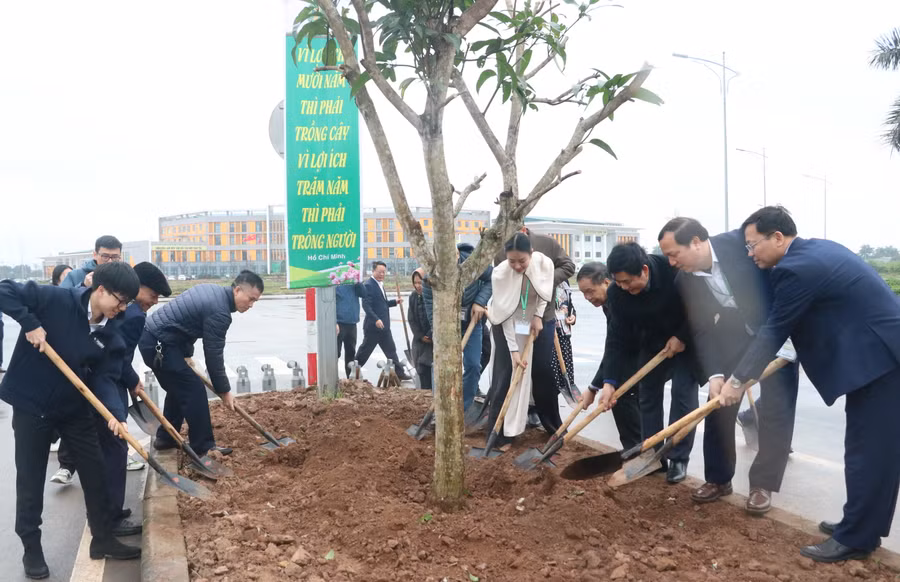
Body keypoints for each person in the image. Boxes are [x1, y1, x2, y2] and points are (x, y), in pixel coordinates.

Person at [720, 206, 900, 563]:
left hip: (884, 361)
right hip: (878, 358)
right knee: (870, 451)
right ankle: (859, 524)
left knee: (869, 454)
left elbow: (774, 329)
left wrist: (737, 381)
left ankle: (857, 538)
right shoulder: (816, 250)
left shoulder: (795, 269)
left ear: (777, 238)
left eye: (753, 245)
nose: (750, 253)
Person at [0, 262, 143, 579]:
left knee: (95, 469)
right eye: (118, 301)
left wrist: (114, 415)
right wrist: (29, 322)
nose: (121, 309)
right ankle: (31, 548)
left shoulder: (112, 331)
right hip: (31, 402)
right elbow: (4, 290)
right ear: (100, 290)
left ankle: (103, 538)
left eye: (126, 304)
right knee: (31, 478)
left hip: (73, 405)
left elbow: (106, 376)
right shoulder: (57, 300)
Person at [658, 217, 799, 514]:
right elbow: (702, 327)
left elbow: (784, 279)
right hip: (733, 336)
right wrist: (715, 373)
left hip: (776, 330)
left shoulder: (742, 245)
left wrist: (789, 336)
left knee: (776, 409)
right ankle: (719, 479)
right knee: (718, 404)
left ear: (696, 242)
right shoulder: (685, 278)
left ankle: (762, 485)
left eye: (674, 254)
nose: (670, 262)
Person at [586, 242, 699, 484]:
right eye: (619, 282)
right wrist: (609, 382)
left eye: (628, 282)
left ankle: (678, 457)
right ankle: (653, 455)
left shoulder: (674, 274)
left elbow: (700, 309)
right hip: (652, 342)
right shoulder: (618, 294)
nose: (624, 287)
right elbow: (617, 340)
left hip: (686, 340)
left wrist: (682, 336)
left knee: (682, 393)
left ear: (645, 271)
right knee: (647, 392)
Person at [140, 270, 263, 457]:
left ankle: (166, 438)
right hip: (160, 344)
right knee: (193, 389)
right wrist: (224, 391)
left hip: (155, 339)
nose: (252, 305)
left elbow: (186, 324)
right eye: (251, 299)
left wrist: (186, 355)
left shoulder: (213, 292)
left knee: (179, 388)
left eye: (255, 302)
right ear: (237, 290)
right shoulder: (220, 311)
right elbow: (213, 355)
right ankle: (204, 447)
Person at [96, 262, 171, 531]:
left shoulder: (120, 309)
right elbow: (118, 356)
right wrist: (130, 379)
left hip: (107, 380)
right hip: (110, 383)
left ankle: (109, 510)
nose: (154, 301)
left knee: (106, 450)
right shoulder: (135, 314)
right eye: (153, 295)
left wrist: (132, 381)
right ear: (139, 288)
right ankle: (112, 516)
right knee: (116, 449)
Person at [487, 227, 575, 432]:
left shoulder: (546, 252)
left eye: (522, 261)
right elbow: (503, 311)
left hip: (541, 318)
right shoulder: (501, 262)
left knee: (542, 370)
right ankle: (499, 430)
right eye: (512, 262)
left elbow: (565, 270)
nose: (517, 266)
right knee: (506, 371)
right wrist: (514, 351)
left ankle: (553, 427)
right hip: (510, 318)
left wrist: (543, 282)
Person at [576, 262, 642, 451]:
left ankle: (640, 453)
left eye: (590, 291)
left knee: (624, 396)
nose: (588, 298)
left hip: (642, 355)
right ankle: (636, 452)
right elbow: (612, 348)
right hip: (627, 355)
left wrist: (604, 384)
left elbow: (619, 347)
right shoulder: (608, 304)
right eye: (583, 294)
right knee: (620, 396)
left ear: (606, 282)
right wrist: (594, 387)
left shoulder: (620, 301)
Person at [423, 242, 493, 409]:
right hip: (446, 326)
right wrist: (436, 331)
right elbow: (430, 307)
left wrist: (479, 301)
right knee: (440, 366)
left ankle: (463, 407)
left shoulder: (471, 263)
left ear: (456, 256)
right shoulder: (430, 276)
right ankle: (440, 409)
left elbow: (492, 278)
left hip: (471, 321)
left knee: (473, 364)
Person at [355, 261, 411, 380]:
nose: (382, 274)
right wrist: (376, 319)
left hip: (384, 327)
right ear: (373, 271)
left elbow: (382, 304)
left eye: (383, 272)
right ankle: (353, 371)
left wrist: (394, 302)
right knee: (365, 351)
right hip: (373, 328)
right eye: (379, 272)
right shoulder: (369, 285)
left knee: (391, 350)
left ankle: (400, 373)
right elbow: (366, 305)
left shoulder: (379, 284)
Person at [335, 271, 366, 378]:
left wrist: (358, 282)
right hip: (339, 324)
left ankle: (350, 379)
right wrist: (334, 322)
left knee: (351, 353)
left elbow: (364, 294)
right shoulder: (335, 283)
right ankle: (332, 379)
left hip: (352, 323)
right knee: (335, 353)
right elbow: (330, 304)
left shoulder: (353, 282)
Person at [551, 280, 578, 400]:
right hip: (548, 333)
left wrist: (573, 316)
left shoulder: (564, 282)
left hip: (563, 333)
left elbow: (570, 305)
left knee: (564, 376)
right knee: (550, 376)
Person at [408, 269, 433, 390]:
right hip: (419, 340)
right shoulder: (413, 296)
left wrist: (429, 335)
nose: (418, 286)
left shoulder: (432, 295)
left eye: (420, 282)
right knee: (420, 369)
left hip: (432, 340)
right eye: (415, 283)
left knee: (427, 367)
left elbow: (435, 317)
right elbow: (411, 319)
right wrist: (420, 335)